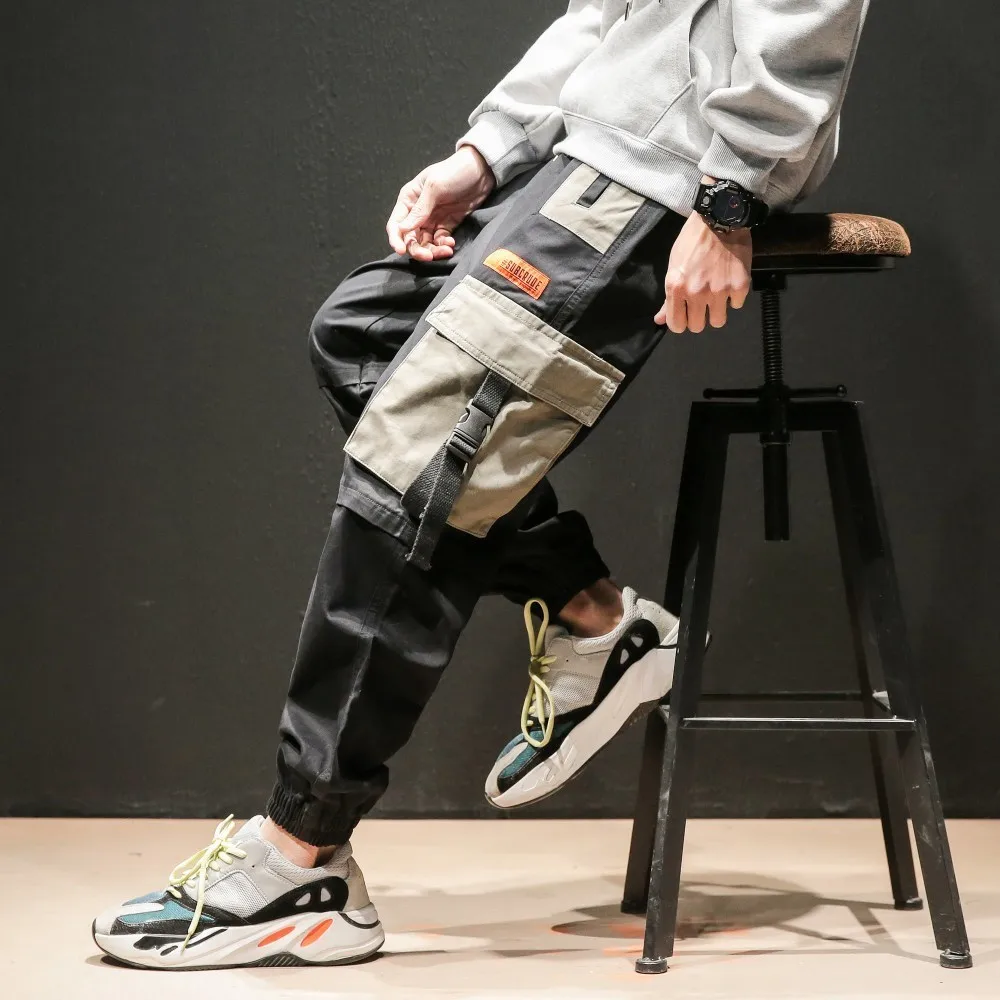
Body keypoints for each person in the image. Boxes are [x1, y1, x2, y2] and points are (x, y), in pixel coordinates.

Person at [94, 0, 871, 970]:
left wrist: (730, 193)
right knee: (364, 337)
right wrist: (487, 154)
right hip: (586, 159)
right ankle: (597, 619)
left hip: (661, 174)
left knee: (425, 449)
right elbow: (605, 14)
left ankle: (302, 853)